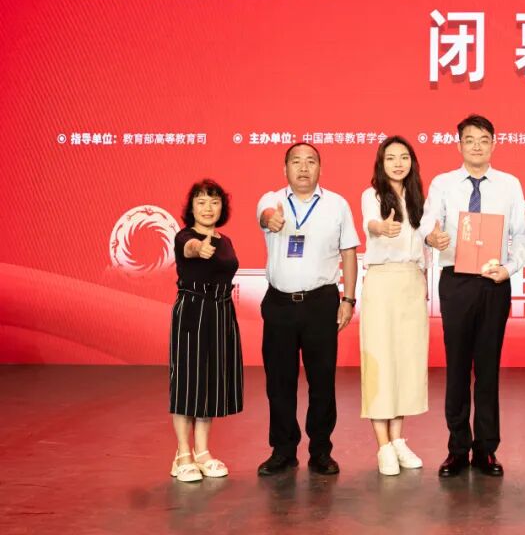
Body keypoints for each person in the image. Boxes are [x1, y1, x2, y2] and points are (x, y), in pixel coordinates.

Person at [419, 115, 525, 478]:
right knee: (456, 367)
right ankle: (456, 448)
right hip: (456, 281)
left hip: (494, 280)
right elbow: (427, 222)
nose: (477, 146)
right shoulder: (443, 183)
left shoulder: (510, 185)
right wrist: (432, 237)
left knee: (487, 368)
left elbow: (522, 234)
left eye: (484, 139)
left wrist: (510, 268)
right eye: (469, 140)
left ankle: (486, 449)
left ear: (494, 143)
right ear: (459, 145)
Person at [255, 143, 360, 476]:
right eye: (296, 162)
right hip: (279, 304)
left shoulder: (337, 204)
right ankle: (283, 450)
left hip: (321, 303)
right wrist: (272, 220)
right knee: (279, 382)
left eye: (310, 161)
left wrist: (348, 300)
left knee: (322, 381)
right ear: (285, 168)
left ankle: (321, 451)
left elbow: (348, 253)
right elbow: (265, 216)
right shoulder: (271, 199)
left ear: (320, 168)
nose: (303, 168)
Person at [360, 136, 429, 476]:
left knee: (405, 362)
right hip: (382, 280)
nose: (398, 163)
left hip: (412, 281)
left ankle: (398, 439)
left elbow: (425, 242)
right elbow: (371, 224)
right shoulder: (372, 196)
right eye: (391, 158)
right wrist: (382, 227)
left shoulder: (418, 199)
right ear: (381, 162)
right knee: (380, 362)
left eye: (404, 157)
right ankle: (383, 445)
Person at [169, 179, 242, 482]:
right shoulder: (184, 236)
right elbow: (190, 249)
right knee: (188, 382)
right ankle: (182, 454)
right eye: (201, 202)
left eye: (214, 202)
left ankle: (202, 451)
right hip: (193, 311)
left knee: (210, 382)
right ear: (192, 208)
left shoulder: (226, 241)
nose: (208, 208)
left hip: (221, 312)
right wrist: (199, 247)